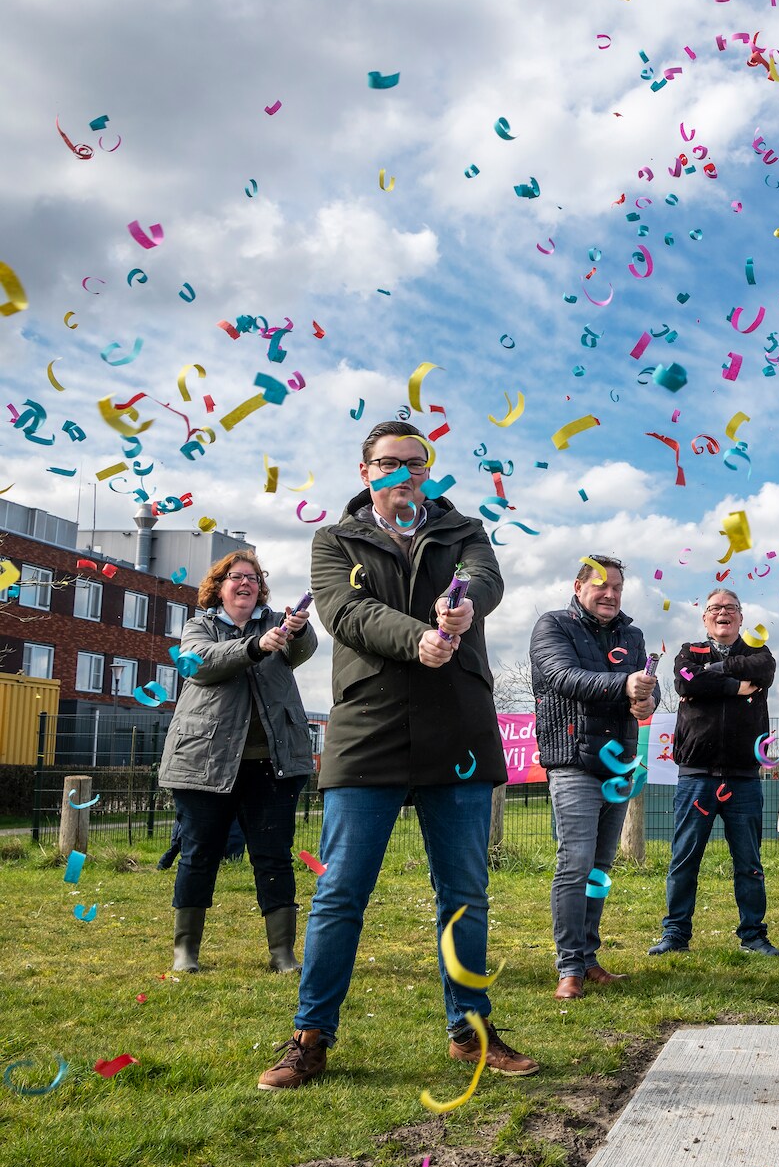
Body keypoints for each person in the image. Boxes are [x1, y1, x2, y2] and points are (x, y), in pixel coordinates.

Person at [257, 421, 537, 1091]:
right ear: (366, 472)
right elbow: (343, 611)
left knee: (464, 892)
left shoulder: (463, 531)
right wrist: (417, 637)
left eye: (418, 463)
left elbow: (483, 578)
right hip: (369, 728)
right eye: (390, 464)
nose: (406, 474)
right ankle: (310, 1036)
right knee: (341, 890)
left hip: (457, 728)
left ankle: (470, 1031)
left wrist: (462, 608)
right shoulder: (334, 540)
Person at [158, 550, 315, 974]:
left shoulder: (275, 624)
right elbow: (199, 664)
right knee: (198, 854)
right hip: (203, 763)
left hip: (272, 764)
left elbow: (302, 653)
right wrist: (254, 645)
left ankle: (282, 954)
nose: (245, 583)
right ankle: (185, 952)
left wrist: (297, 631)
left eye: (253, 577)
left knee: (273, 856)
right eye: (235, 577)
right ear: (219, 585)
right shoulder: (199, 625)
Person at [530, 553, 659, 999]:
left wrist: (646, 700)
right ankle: (568, 966)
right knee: (576, 861)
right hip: (572, 760)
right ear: (579, 585)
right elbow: (563, 677)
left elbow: (647, 685)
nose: (610, 594)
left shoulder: (633, 633)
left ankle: (587, 958)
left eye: (617, 587)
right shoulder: (553, 626)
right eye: (602, 585)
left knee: (600, 866)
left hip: (618, 763)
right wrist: (624, 686)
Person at [651, 589, 779, 957]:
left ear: (740, 617)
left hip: (743, 775)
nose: (723, 613)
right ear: (705, 618)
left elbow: (764, 672)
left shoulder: (758, 651)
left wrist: (717, 671)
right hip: (697, 773)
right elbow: (686, 682)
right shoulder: (689, 651)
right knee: (684, 858)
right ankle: (675, 934)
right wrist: (734, 686)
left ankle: (753, 935)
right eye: (715, 609)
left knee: (749, 861)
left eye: (730, 608)